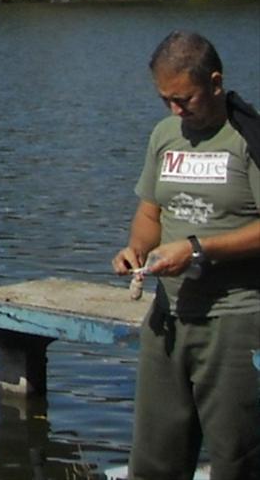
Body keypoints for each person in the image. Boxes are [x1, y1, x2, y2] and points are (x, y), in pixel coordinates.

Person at [111, 31, 260, 480]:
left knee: (236, 459)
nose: (176, 110)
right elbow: (150, 212)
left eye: (184, 99)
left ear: (215, 82)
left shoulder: (247, 139)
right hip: (168, 317)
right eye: (166, 100)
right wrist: (136, 250)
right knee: (154, 460)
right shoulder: (165, 135)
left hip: (235, 318)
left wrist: (198, 250)